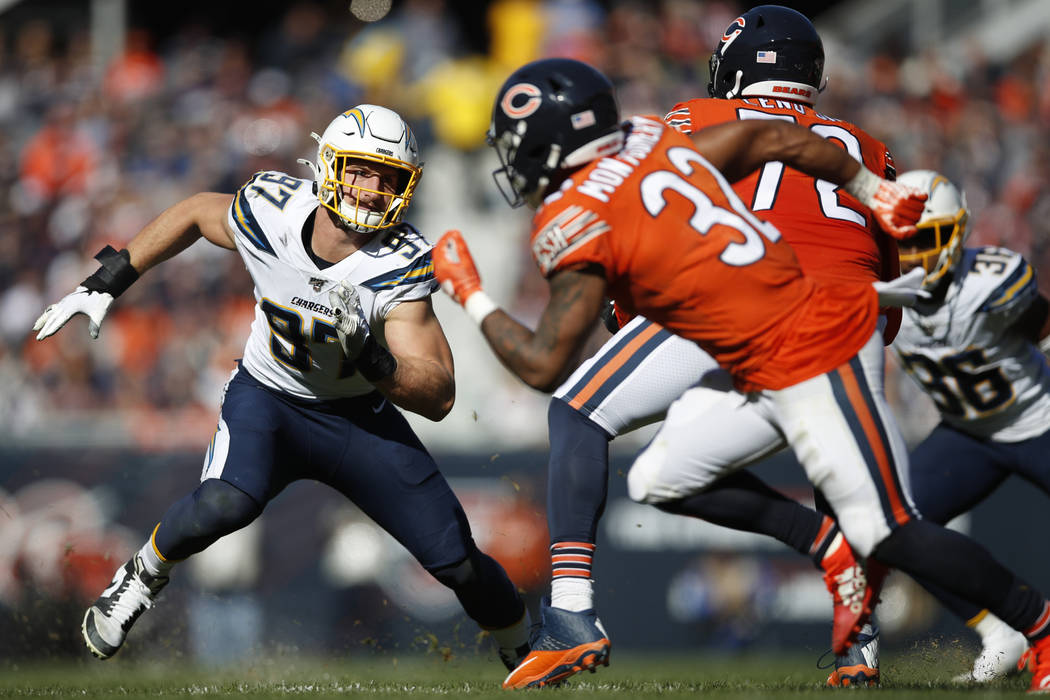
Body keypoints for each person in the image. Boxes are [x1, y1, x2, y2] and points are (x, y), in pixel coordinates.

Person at [430, 57, 1050, 694]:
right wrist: (872, 189)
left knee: (883, 527)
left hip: (812, 338)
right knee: (657, 477)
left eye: (522, 146)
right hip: (757, 342)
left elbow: (543, 364)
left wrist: (471, 292)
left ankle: (1039, 625)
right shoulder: (649, 136)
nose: (519, 162)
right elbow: (768, 136)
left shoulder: (582, 215)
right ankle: (824, 545)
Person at [32, 104, 531, 670]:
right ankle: (142, 575)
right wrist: (108, 279)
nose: (372, 191)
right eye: (362, 171)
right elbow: (197, 212)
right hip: (268, 397)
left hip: (355, 419)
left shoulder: (400, 261)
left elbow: (439, 396)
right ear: (328, 167)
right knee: (224, 502)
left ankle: (524, 647)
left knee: (456, 561)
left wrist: (371, 356)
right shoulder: (272, 210)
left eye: (388, 178)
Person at [532, 5, 898, 688]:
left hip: (735, 295)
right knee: (833, 467)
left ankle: (571, 612)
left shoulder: (689, 118)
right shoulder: (870, 147)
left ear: (735, 67)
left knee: (579, 411)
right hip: (850, 317)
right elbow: (889, 263)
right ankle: (860, 649)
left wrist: (622, 301)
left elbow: (647, 208)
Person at [884, 168, 1050, 681]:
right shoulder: (881, 295)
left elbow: (1043, 329)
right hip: (967, 433)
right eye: (903, 243)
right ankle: (1003, 634)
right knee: (893, 523)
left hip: (1036, 419)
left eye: (926, 241)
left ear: (957, 234)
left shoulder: (991, 283)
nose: (914, 257)